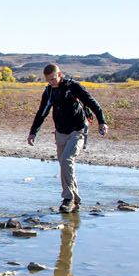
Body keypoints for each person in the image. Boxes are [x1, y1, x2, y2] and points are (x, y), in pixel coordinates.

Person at [27, 63, 108, 213]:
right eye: (48, 80)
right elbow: (42, 112)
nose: (51, 82)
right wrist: (33, 132)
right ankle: (74, 201)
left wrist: (102, 121)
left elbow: (92, 102)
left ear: (59, 74)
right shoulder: (49, 91)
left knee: (66, 160)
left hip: (78, 130)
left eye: (53, 79)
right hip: (60, 133)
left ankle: (68, 199)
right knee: (64, 165)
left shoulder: (72, 87)